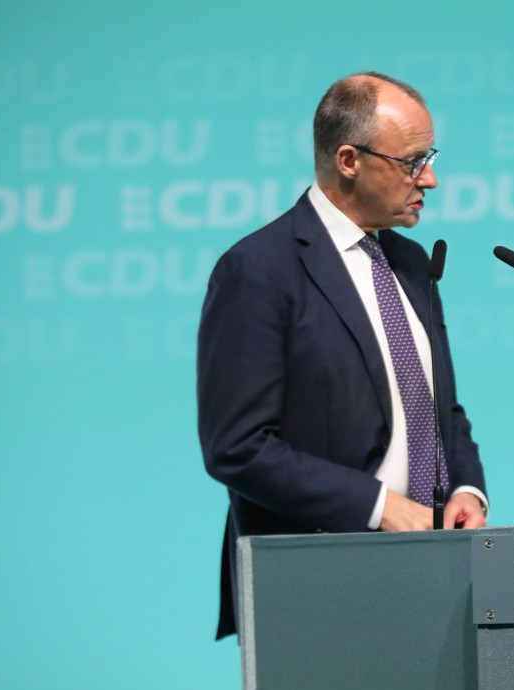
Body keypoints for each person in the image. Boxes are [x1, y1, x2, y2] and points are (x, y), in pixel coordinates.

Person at [197, 72, 488, 639]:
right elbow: (237, 447)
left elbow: (437, 410)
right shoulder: (259, 270)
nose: (429, 178)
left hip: (436, 574)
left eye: (429, 157)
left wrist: (465, 491)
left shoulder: (410, 261)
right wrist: (383, 507)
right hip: (315, 588)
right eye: (411, 161)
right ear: (349, 159)